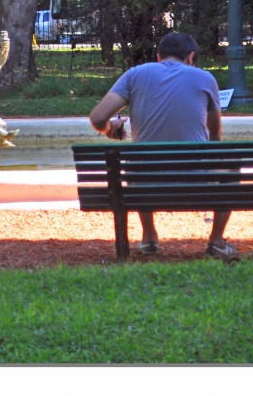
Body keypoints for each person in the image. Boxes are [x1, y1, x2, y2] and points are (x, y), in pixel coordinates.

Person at [88, 32, 237, 261]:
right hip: (196, 180)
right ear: (191, 57)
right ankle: (216, 241)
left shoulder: (135, 75)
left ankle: (148, 237)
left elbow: (98, 118)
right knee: (231, 167)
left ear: (159, 57)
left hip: (147, 182)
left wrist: (110, 129)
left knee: (138, 165)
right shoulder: (205, 78)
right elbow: (215, 134)